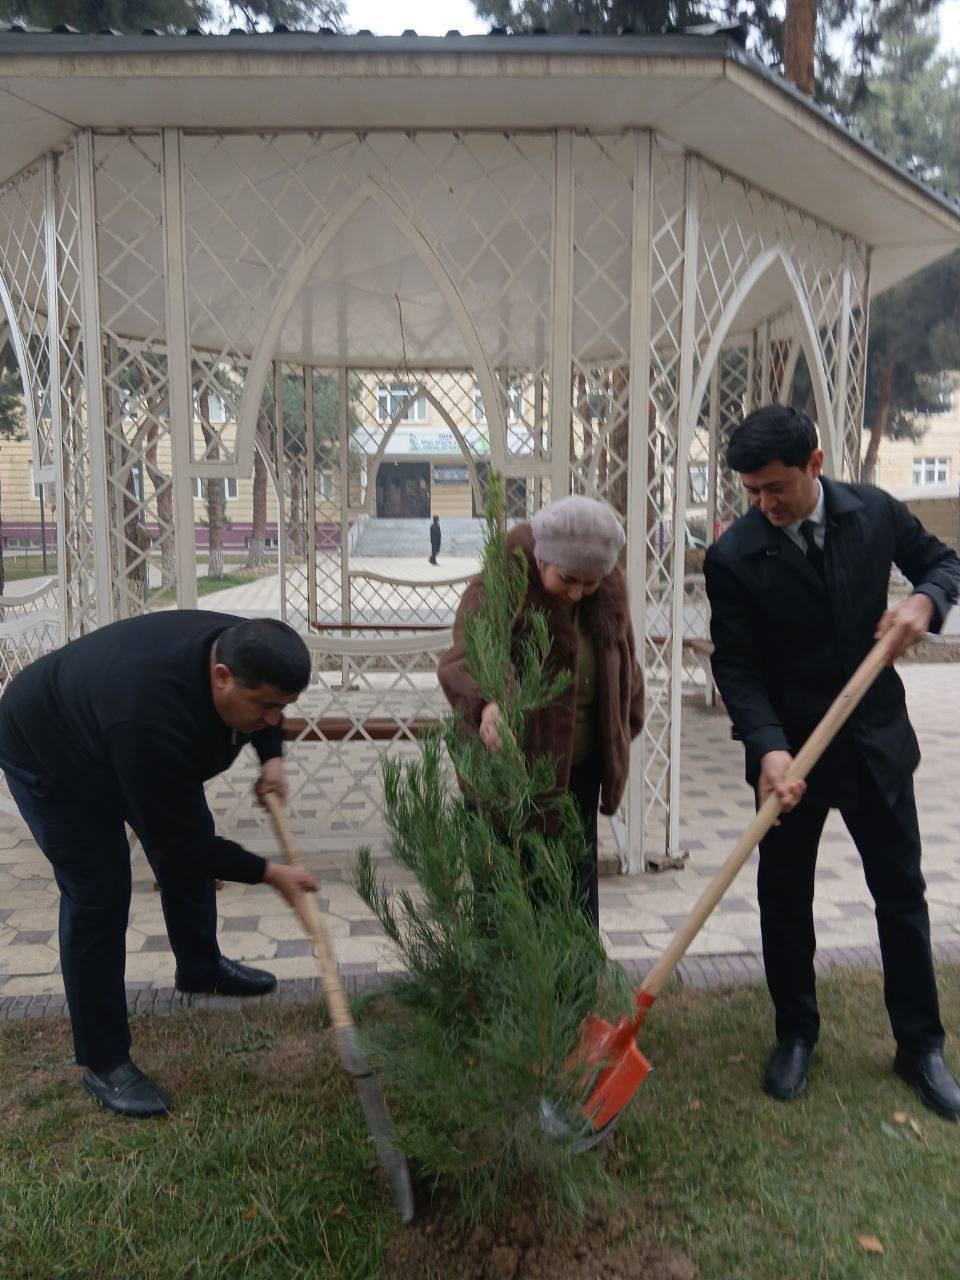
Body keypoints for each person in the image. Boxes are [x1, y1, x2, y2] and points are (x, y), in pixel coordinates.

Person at [704, 405, 960, 1119]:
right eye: (752, 492)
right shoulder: (735, 556)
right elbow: (739, 666)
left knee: (901, 897)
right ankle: (795, 1034)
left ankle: (919, 1045)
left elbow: (943, 563)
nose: (763, 504)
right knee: (785, 904)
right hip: (792, 760)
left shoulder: (873, 512)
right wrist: (767, 745)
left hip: (876, 745)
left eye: (775, 487)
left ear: (815, 465)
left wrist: (924, 602)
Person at [0, 612, 318, 1119]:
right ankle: (105, 1062)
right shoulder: (149, 715)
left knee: (184, 826)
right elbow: (183, 848)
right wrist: (271, 874)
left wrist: (272, 756)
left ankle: (200, 967)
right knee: (99, 890)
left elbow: (265, 703)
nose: (274, 718)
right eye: (265, 708)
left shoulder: (244, 644)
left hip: (114, 731)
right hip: (50, 751)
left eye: (284, 708)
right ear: (221, 678)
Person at [438, 495, 644, 926]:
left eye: (589, 583)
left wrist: (625, 722)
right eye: (568, 579)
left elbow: (624, 661)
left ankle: (575, 990)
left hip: (578, 776)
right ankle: (504, 992)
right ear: (541, 560)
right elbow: (464, 658)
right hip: (511, 775)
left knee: (572, 896)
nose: (576, 592)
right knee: (507, 899)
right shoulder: (501, 584)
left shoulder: (605, 593)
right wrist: (489, 704)